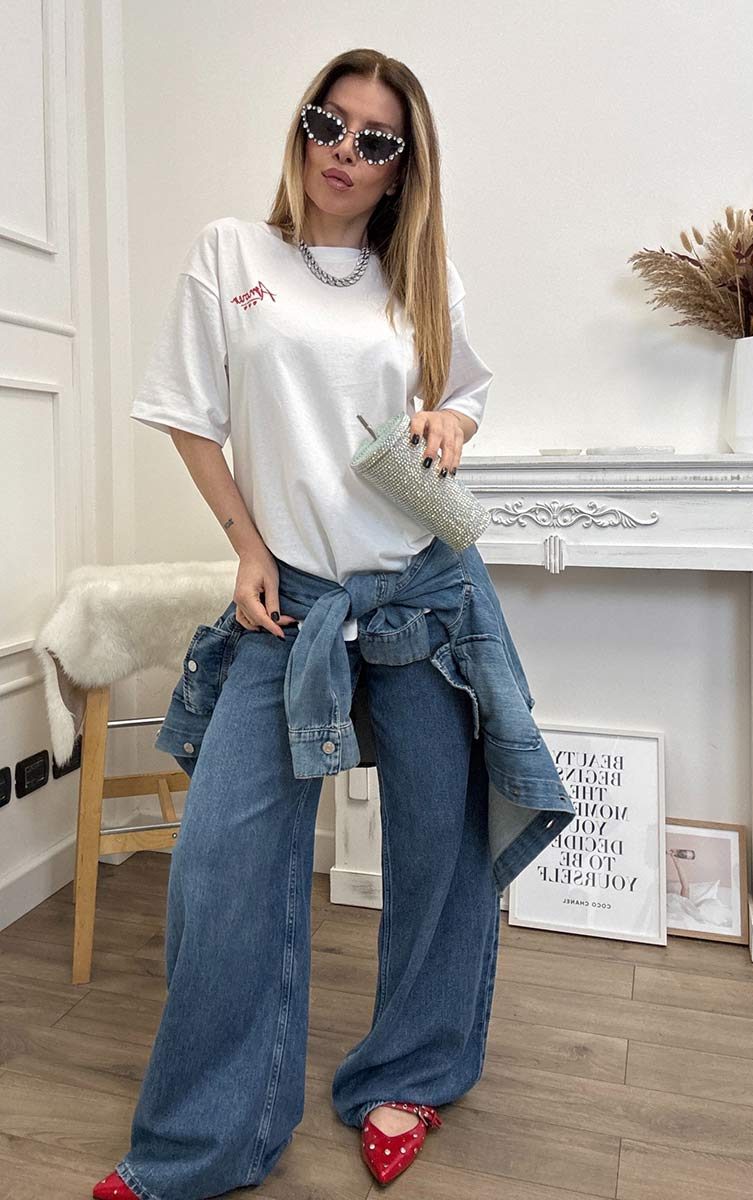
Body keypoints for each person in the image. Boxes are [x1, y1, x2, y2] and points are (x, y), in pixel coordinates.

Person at [96, 47, 506, 1197]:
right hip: (295, 603)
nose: (344, 151)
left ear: (401, 167)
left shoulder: (419, 277)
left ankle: (407, 1076)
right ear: (304, 127)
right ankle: (205, 1137)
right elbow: (188, 413)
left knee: (440, 845)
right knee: (221, 863)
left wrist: (451, 426)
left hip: (422, 592)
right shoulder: (232, 253)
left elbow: (461, 393)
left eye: (375, 140)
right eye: (330, 123)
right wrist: (246, 546)